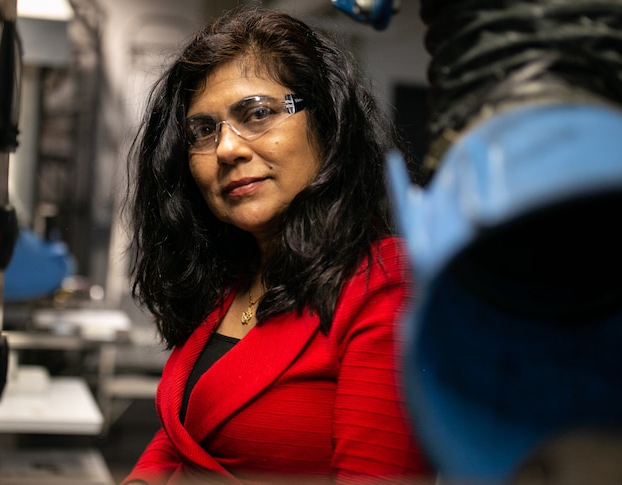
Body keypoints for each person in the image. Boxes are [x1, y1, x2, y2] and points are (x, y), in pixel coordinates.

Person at [121, 5, 432, 484]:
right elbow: (182, 436)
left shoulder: (384, 282)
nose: (227, 148)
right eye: (203, 130)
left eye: (258, 113)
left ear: (326, 122)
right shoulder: (235, 276)